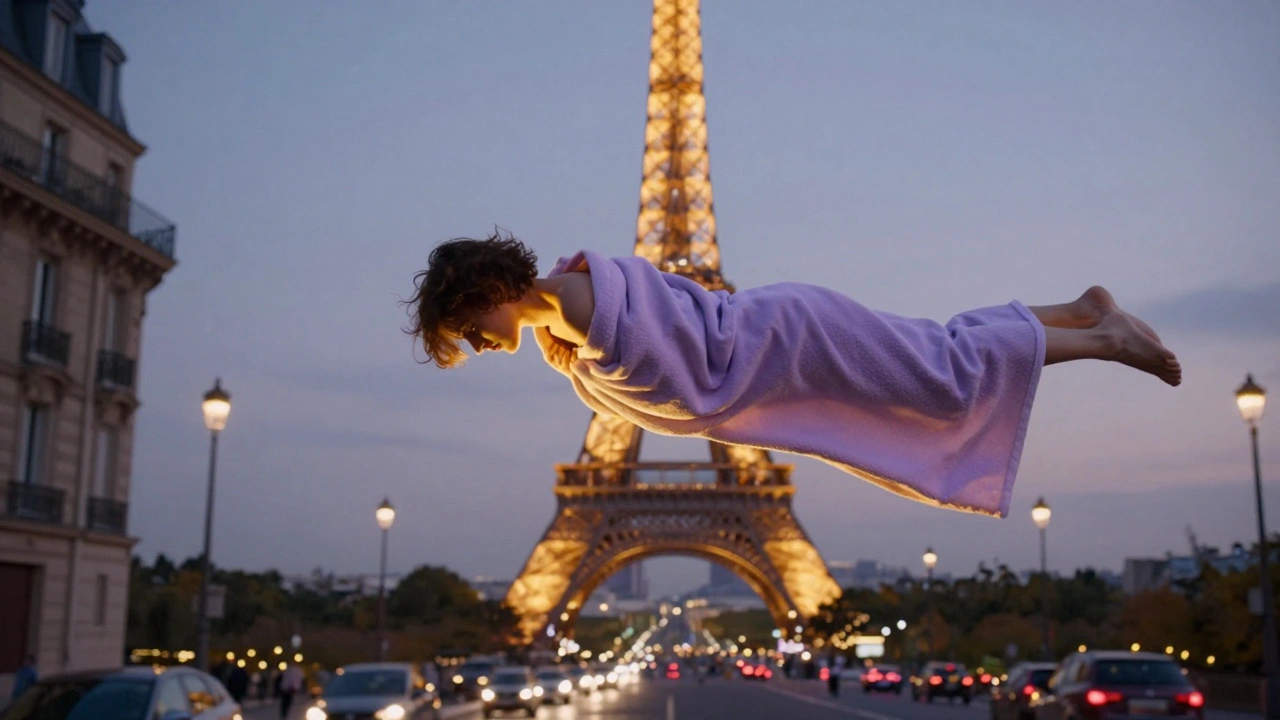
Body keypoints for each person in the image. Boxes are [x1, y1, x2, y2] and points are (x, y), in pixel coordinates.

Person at [406, 234, 1179, 518]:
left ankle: (1105, 339)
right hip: (781, 342)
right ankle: (1075, 311)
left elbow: (685, 365)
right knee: (934, 353)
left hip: (788, 342)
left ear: (484, 291)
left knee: (942, 379)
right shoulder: (569, 315)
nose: (476, 343)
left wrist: (595, 359)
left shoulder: (579, 311)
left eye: (467, 327)